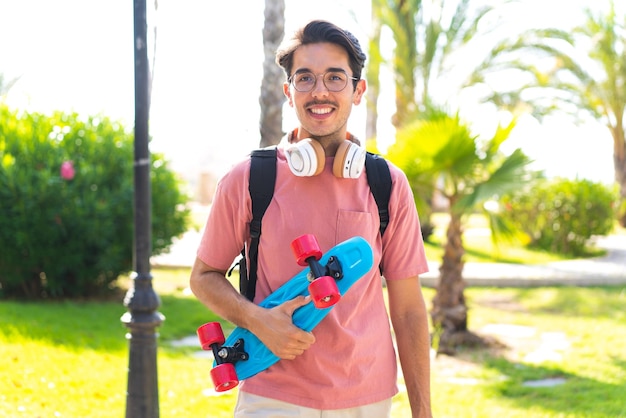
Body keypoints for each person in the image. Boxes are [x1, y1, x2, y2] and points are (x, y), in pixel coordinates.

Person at [189, 19, 432, 417]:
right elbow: (203, 277)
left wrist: (423, 411)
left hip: (367, 397)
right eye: (305, 78)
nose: (320, 91)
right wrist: (259, 322)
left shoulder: (386, 183)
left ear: (358, 90)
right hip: (272, 396)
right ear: (289, 92)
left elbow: (407, 310)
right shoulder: (250, 178)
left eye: (335, 78)